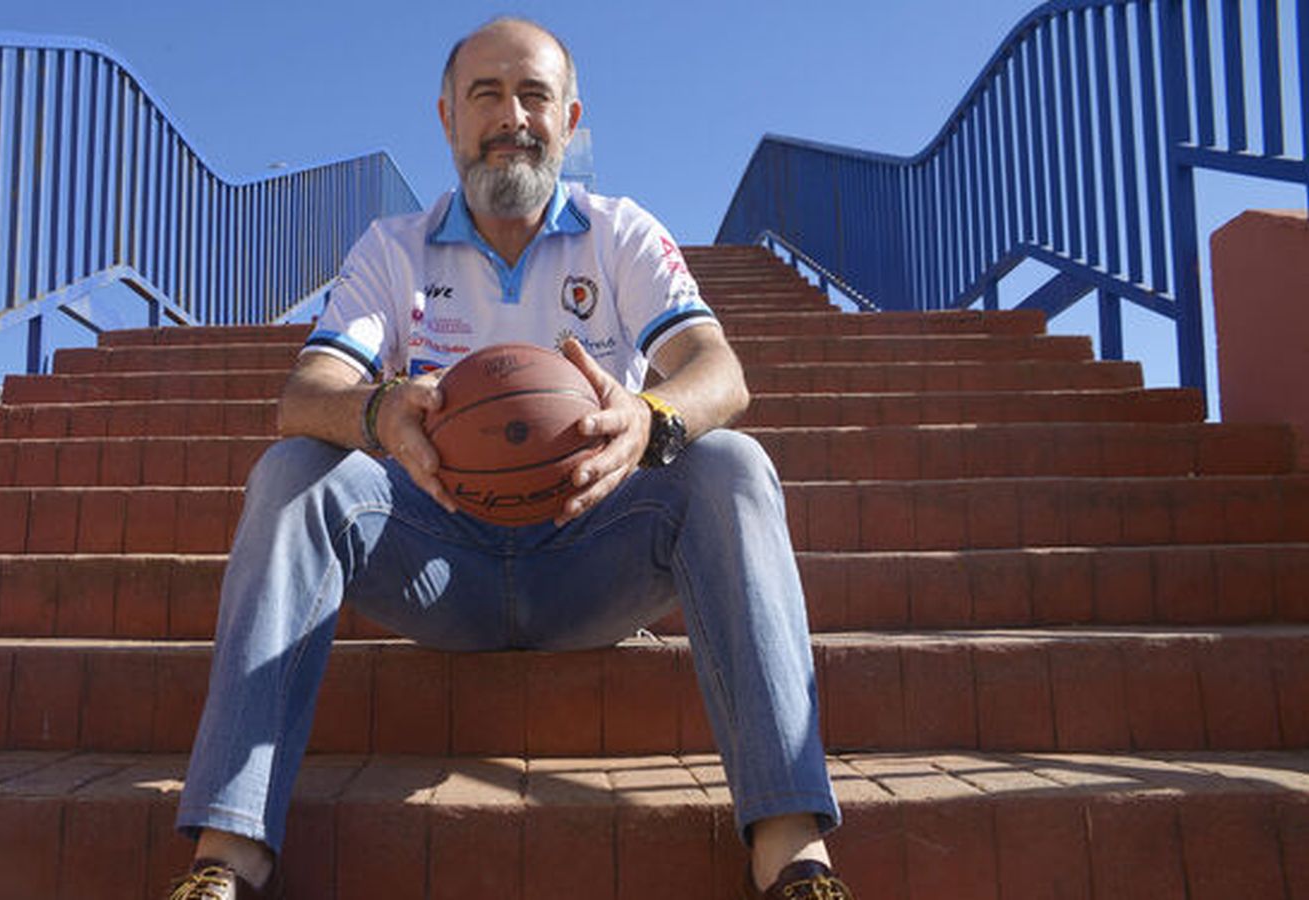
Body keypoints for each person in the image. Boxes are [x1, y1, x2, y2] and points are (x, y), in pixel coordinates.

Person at [168, 17, 850, 900]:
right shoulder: (393, 249)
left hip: (591, 558)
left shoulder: (620, 233)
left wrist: (650, 419)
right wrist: (377, 410)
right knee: (293, 471)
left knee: (734, 464)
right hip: (437, 563)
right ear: (448, 116)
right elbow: (305, 392)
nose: (511, 115)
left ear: (570, 118)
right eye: (486, 94)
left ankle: (793, 855)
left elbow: (719, 370)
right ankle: (228, 858)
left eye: (534, 95)